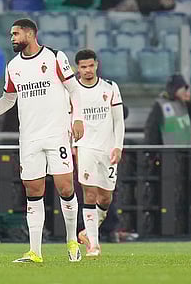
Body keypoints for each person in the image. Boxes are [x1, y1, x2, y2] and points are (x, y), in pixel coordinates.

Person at [0, 18, 85, 263]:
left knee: (65, 187)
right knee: (33, 191)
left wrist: (77, 119)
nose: (12, 38)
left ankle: (72, 241)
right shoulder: (13, 66)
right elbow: (7, 100)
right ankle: (35, 251)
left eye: (15, 34)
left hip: (57, 133)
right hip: (29, 137)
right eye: (11, 35)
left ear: (30, 33)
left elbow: (74, 89)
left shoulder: (55, 57)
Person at [69, 49, 125, 257]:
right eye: (83, 67)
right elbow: (68, 120)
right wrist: (72, 145)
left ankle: (85, 233)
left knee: (106, 198)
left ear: (97, 65)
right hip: (85, 148)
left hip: (107, 148)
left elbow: (118, 120)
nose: (87, 70)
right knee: (90, 194)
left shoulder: (110, 88)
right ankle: (94, 244)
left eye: (90, 66)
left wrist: (118, 146)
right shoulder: (73, 91)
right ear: (78, 68)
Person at [144, 74, 191, 145]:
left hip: (189, 150)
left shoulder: (187, 102)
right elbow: (151, 130)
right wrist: (153, 152)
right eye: (183, 88)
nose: (185, 91)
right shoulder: (160, 105)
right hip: (170, 152)